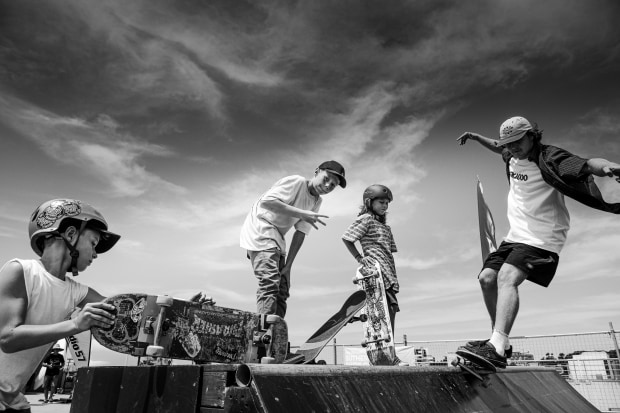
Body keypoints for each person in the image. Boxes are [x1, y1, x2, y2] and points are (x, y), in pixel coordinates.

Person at [456, 116, 620, 369]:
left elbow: (586, 164)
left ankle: (496, 345)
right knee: (486, 278)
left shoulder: (549, 157)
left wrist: (608, 166)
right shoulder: (510, 154)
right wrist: (477, 137)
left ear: (532, 136)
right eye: (509, 144)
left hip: (543, 236)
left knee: (507, 277)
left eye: (518, 142)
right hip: (515, 236)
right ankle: (499, 341)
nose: (513, 148)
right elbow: (498, 146)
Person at [0, 199, 120, 412]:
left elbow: (120, 308)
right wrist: (76, 324)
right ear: (71, 234)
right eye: (93, 243)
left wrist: (171, 310)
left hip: (11, 397)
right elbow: (7, 338)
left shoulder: (75, 290)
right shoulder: (20, 271)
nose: (95, 254)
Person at [240, 161, 347, 318]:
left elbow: (300, 233)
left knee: (282, 288)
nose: (327, 186)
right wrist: (301, 213)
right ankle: (263, 328)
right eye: (326, 179)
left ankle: (277, 329)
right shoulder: (297, 182)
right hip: (260, 228)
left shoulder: (317, 201)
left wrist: (288, 265)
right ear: (317, 171)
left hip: (276, 238)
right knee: (270, 281)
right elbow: (267, 202)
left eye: (332, 185)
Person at [342, 184, 407, 366]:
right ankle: (388, 356)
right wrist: (359, 258)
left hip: (388, 275)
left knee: (389, 314)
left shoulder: (385, 227)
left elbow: (389, 252)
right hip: (376, 275)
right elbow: (347, 238)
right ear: (369, 202)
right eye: (381, 202)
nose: (385, 206)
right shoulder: (366, 219)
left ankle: (386, 354)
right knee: (380, 315)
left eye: (387, 203)